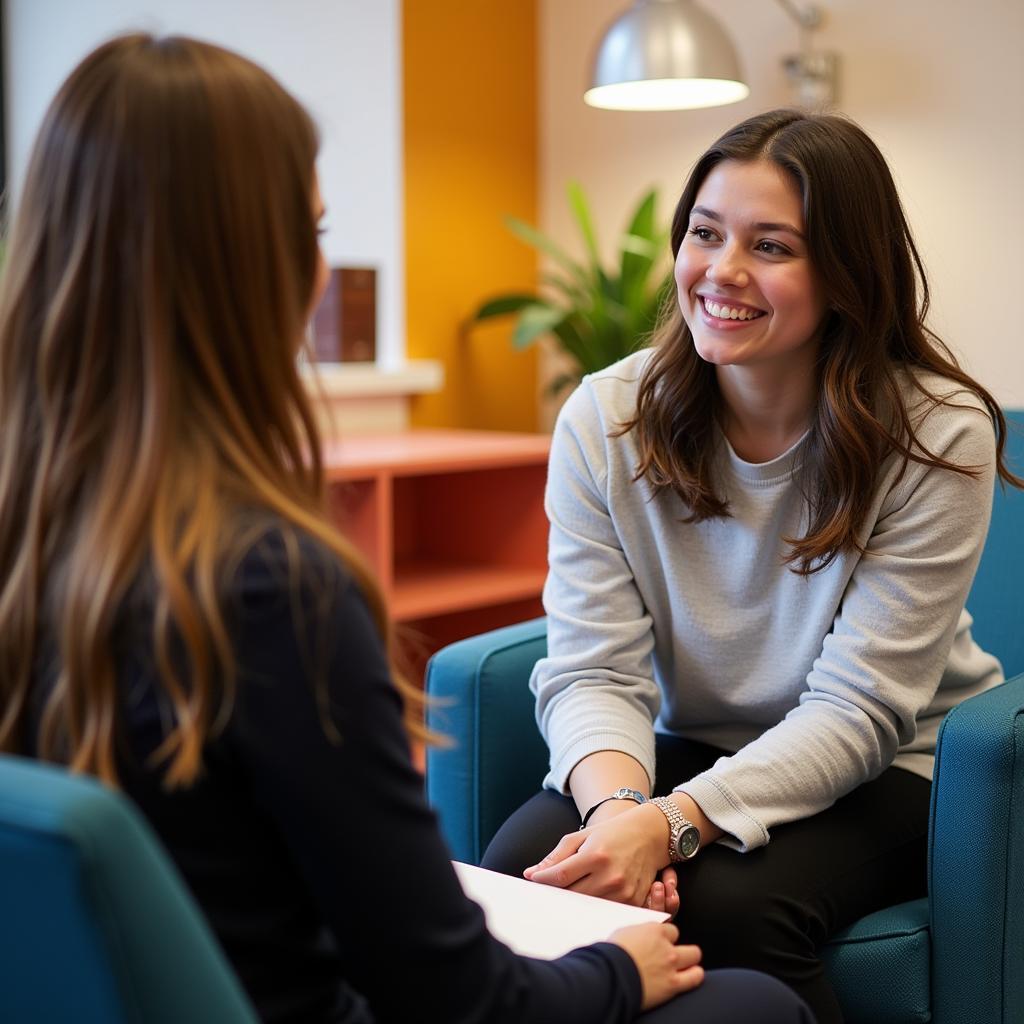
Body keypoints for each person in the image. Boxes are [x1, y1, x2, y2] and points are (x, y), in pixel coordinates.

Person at [0, 35, 815, 1024]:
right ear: (249, 268)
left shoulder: (41, 534)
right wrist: (615, 971)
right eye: (312, 230)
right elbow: (452, 995)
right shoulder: (270, 587)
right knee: (753, 1005)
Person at [480, 107, 1021, 1024]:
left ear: (847, 276)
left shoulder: (937, 436)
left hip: (890, 764)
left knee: (732, 908)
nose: (721, 271)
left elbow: (857, 711)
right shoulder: (605, 420)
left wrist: (668, 825)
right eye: (704, 233)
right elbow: (592, 667)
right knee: (525, 882)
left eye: (771, 246)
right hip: (682, 744)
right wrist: (620, 811)